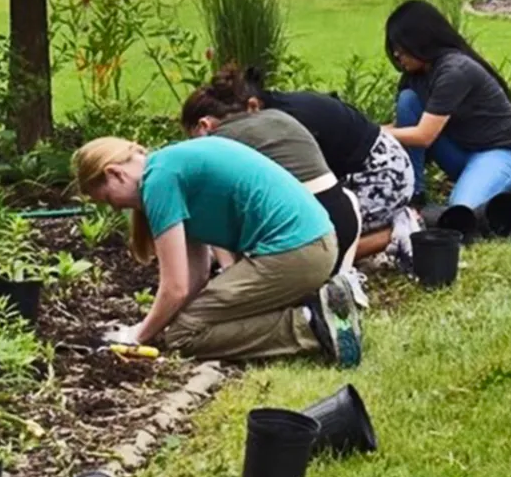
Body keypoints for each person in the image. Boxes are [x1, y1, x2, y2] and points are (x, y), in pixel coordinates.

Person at [70, 135, 362, 367]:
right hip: (314, 245)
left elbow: (175, 287)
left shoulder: (158, 181)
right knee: (190, 321)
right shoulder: (171, 166)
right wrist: (158, 323)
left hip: (296, 252)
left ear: (115, 173)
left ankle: (310, 325)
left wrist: (137, 336)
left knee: (183, 336)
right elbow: (194, 278)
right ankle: (316, 307)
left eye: (108, 198)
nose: (116, 208)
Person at [180, 67, 362, 278]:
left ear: (204, 125)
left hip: (303, 233)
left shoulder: (217, 143)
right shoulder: (277, 117)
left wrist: (229, 271)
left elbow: (214, 211)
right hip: (345, 216)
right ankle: (340, 279)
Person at [238, 67, 418, 267]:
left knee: (318, 248)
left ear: (252, 106)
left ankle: (395, 233)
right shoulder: (276, 107)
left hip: (383, 175)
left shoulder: (285, 123)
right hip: (368, 166)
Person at [383, 0, 511, 210]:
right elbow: (404, 128)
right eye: (393, 47)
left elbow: (423, 136)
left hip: (502, 152)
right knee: (408, 100)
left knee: (461, 210)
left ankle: (492, 188)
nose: (397, 54)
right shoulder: (417, 76)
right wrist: (366, 129)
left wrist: (374, 133)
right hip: (461, 152)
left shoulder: (454, 70)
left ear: (419, 40)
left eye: (400, 47)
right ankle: (414, 195)